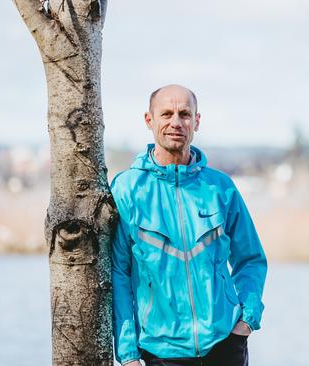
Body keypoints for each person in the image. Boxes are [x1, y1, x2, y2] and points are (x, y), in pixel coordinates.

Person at [111, 84, 267, 366]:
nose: (175, 122)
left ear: (196, 121)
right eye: (166, 114)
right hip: (160, 353)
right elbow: (119, 273)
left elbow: (252, 259)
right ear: (149, 120)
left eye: (184, 114)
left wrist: (246, 321)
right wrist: (128, 354)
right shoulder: (128, 189)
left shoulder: (220, 188)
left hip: (225, 346)